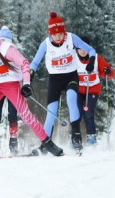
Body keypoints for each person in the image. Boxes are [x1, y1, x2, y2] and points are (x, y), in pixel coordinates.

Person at [0, 18, 63, 158]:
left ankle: (47, 143)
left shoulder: (6, 49)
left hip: (11, 86)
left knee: (26, 115)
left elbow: (24, 63)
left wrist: (26, 83)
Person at [30, 12, 96, 152]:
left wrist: (91, 61)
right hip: (55, 79)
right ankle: (45, 143)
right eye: (55, 35)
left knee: (71, 99)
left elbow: (91, 50)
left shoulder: (71, 38)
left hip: (70, 76)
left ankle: (76, 136)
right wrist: (30, 74)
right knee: (51, 112)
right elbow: (35, 62)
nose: (59, 37)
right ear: (50, 34)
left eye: (61, 34)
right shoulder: (46, 44)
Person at [74, 42, 115, 146]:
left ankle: (91, 139)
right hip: (78, 90)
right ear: (76, 49)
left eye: (85, 49)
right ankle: (74, 137)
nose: (83, 52)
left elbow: (110, 72)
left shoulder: (96, 58)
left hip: (92, 89)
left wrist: (108, 72)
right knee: (77, 113)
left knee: (88, 112)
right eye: (80, 49)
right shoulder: (73, 58)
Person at [0, 26, 20, 155]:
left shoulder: (13, 52)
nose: (3, 43)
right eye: (1, 40)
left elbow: (20, 69)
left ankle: (13, 142)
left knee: (12, 114)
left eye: (5, 40)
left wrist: (24, 85)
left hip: (12, 87)